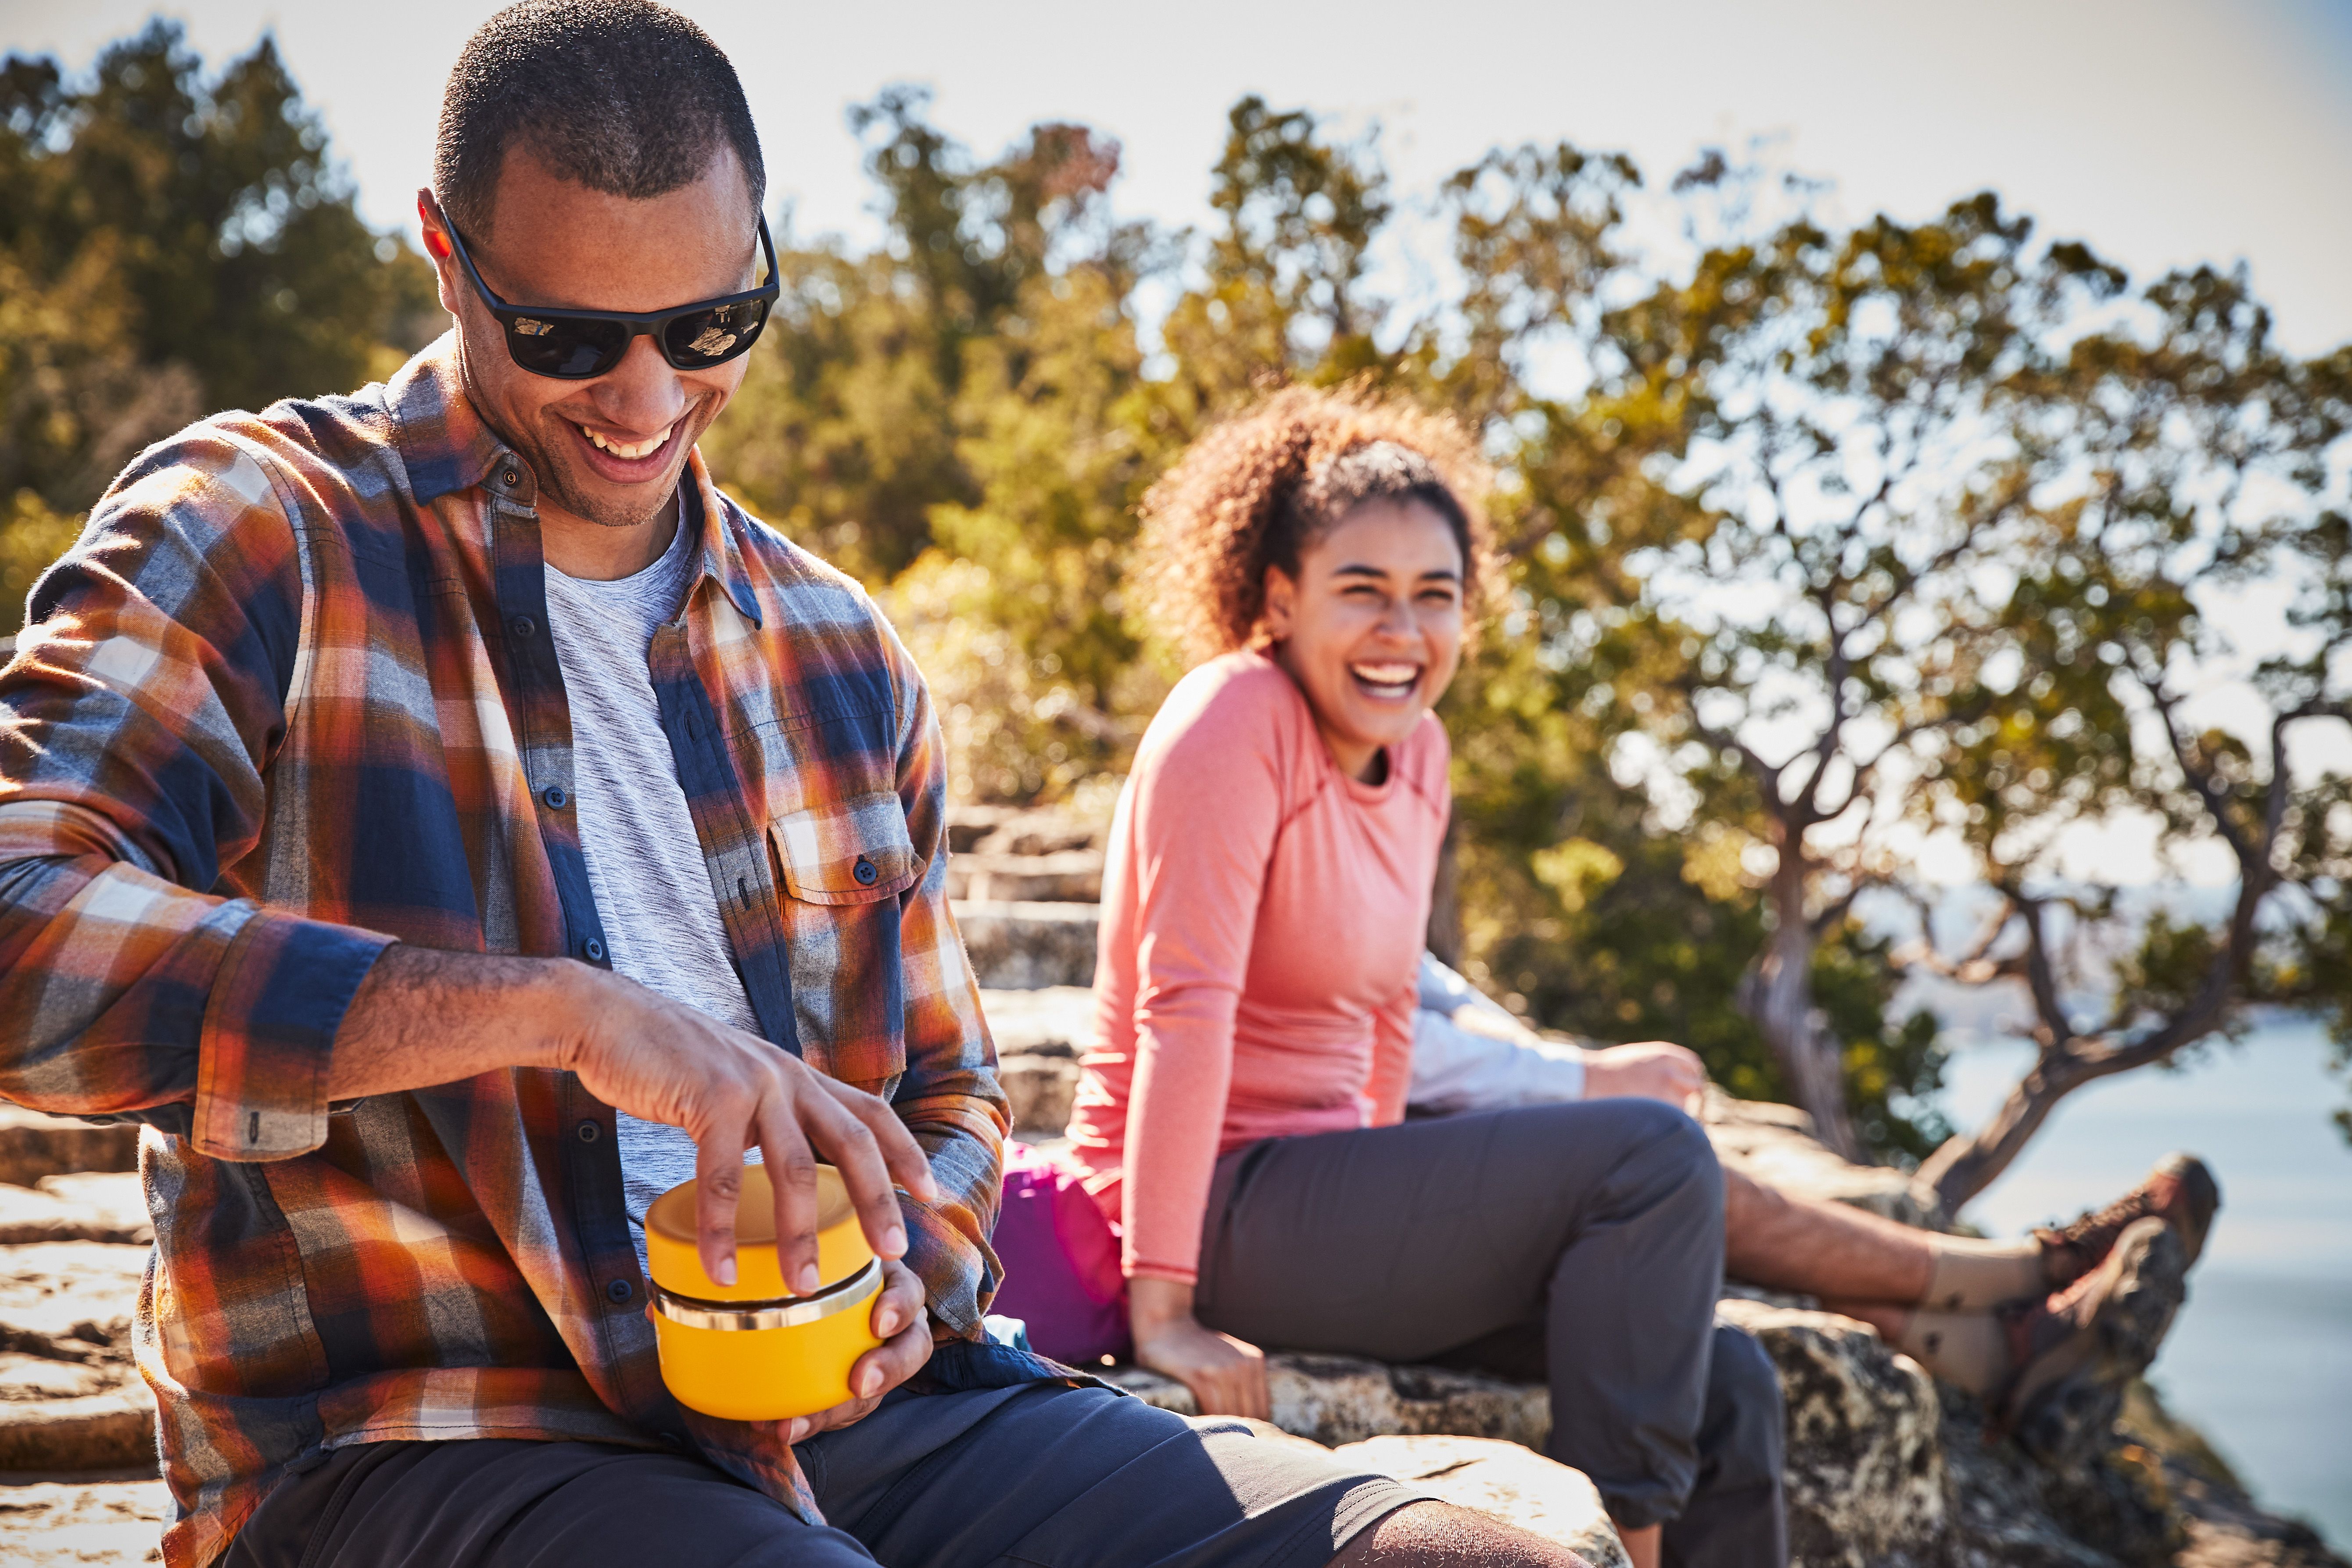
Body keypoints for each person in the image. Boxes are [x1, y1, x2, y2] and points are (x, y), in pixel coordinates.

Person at [0, 6, 1595, 1566]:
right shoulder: (259, 525)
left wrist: (918, 1270)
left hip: (874, 1418)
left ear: (761, 250)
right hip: (430, 1434)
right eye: (565, 338)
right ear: (442, 251)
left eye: (707, 329)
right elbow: (23, 939)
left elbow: (951, 1094)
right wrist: (558, 1012)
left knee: (1476, 1556)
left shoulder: (839, 646)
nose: (644, 402)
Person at [1065, 389, 1786, 1568]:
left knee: (1730, 1378)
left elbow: (1392, 1004)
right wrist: (1167, 1309)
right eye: (1362, 589)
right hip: (1211, 1203)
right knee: (1653, 1151)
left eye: (1434, 595)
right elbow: (1181, 1009)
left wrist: (1405, 1188)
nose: (1402, 628)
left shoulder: (1422, 755)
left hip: (1330, 1193)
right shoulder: (1233, 716)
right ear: (1279, 597)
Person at [1412, 958, 2215, 1418]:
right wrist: (1576, 1075)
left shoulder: (1355, 806)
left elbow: (1435, 994)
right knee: (1675, 1181)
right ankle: (2025, 1282)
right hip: (1364, 1202)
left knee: (1690, 1212)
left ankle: (1998, 1346)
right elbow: (1376, 1034)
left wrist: (1550, 1071)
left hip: (1410, 1179)